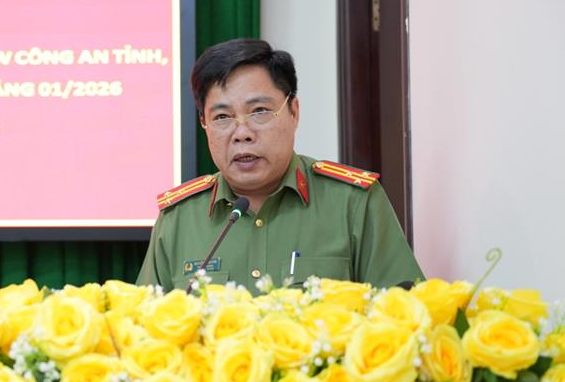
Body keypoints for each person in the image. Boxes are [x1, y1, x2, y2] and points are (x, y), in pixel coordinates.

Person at [137, 38, 423, 292]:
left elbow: (404, 316)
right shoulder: (177, 220)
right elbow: (144, 328)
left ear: (293, 112)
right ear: (204, 124)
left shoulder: (353, 203)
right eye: (222, 117)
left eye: (259, 111)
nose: (242, 133)